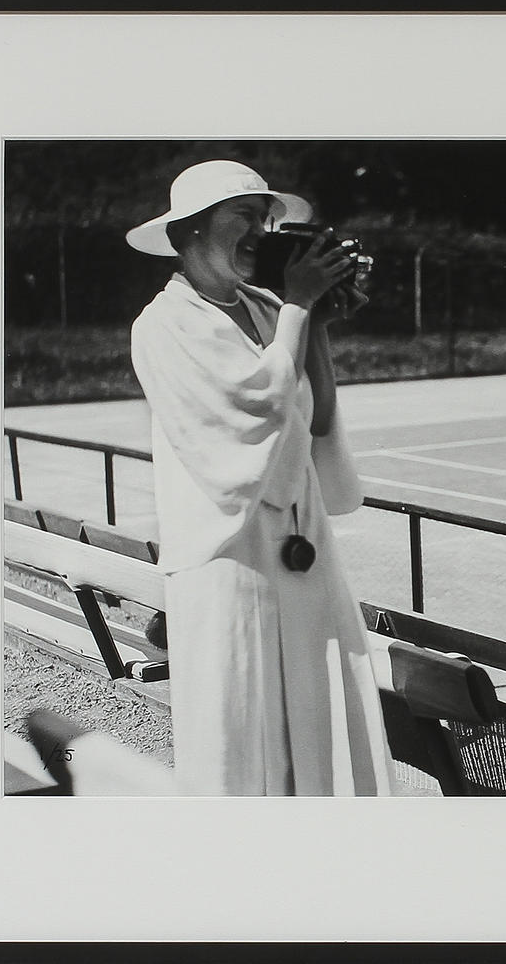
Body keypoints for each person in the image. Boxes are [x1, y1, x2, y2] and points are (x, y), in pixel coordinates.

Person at [126, 159, 392, 796]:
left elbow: (313, 417)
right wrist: (299, 305)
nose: (261, 230)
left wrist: (317, 323)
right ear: (188, 232)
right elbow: (256, 407)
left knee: (323, 727)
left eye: (266, 217)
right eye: (242, 216)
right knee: (243, 735)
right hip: (231, 559)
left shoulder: (271, 309)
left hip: (304, 550)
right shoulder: (162, 325)